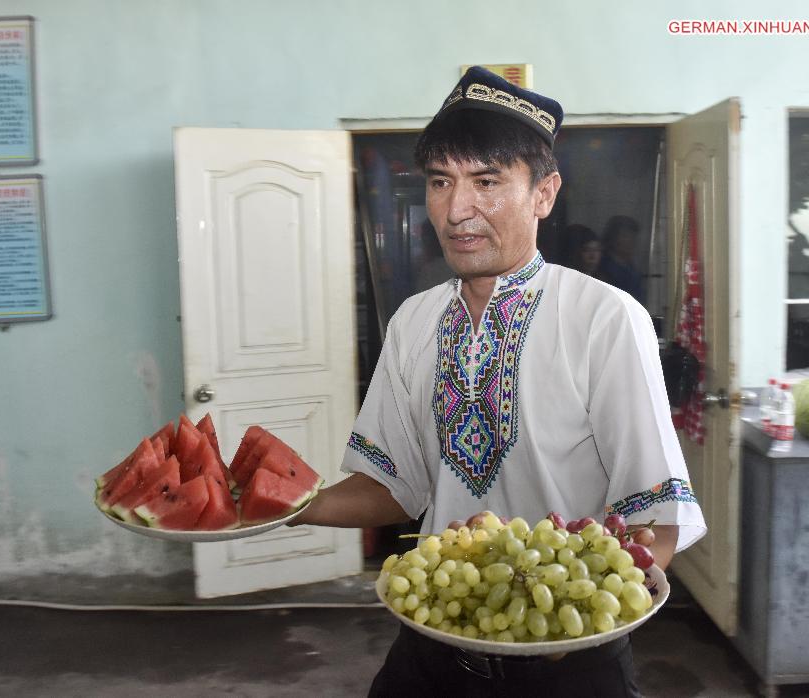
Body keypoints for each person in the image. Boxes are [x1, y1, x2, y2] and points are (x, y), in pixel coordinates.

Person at [294, 66, 706, 696]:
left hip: (567, 659)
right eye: (441, 181)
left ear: (544, 194)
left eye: (486, 181)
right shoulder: (414, 321)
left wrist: (579, 632)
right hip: (431, 646)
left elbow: (658, 513)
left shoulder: (603, 317)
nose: (457, 210)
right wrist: (273, 511)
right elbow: (395, 489)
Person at [600, 215, 646, 303]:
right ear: (613, 239)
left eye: (633, 236)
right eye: (625, 236)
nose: (631, 241)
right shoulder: (604, 270)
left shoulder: (631, 268)